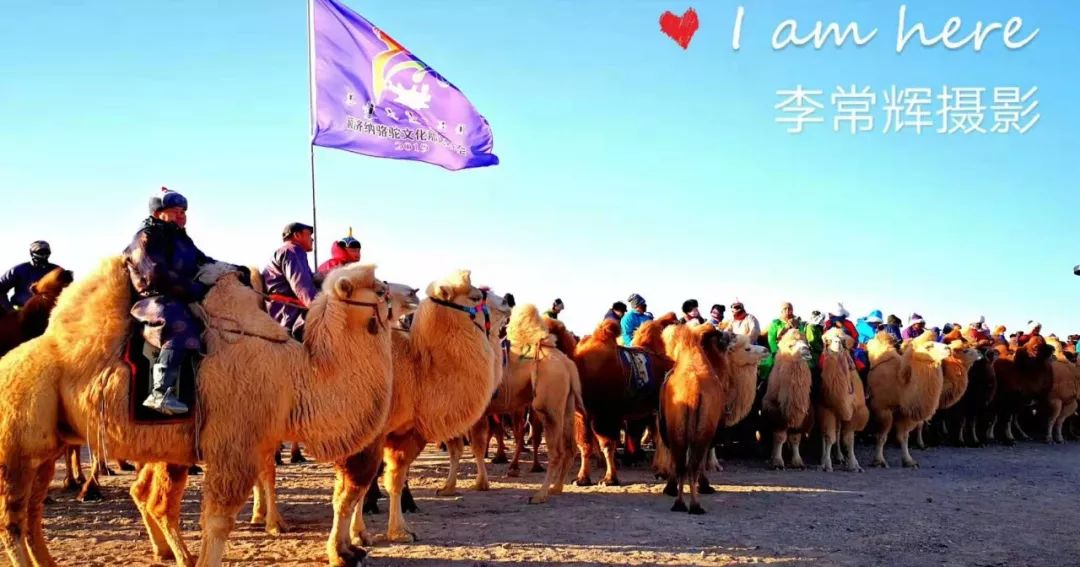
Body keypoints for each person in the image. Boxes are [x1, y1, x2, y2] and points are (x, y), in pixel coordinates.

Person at [124, 188, 216, 415]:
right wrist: (194, 288)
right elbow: (155, 274)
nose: (182, 215)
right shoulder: (146, 237)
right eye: (175, 211)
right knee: (179, 324)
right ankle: (160, 392)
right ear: (158, 213)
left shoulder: (182, 239)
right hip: (154, 299)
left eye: (184, 211)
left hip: (180, 295)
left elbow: (203, 261)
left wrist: (233, 271)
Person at [263, 222, 319, 340]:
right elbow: (303, 289)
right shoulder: (293, 251)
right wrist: (321, 308)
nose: (312, 239)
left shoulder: (287, 251)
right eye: (309, 235)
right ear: (297, 235)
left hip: (281, 311)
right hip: (290, 314)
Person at [0, 240, 61, 312]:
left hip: (50, 313)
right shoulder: (18, 270)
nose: (44, 255)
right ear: (32, 253)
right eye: (40, 252)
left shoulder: (57, 271)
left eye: (46, 252)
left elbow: (68, 291)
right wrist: (9, 309)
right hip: (21, 312)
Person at [761, 302, 804, 377]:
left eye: (790, 309)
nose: (787, 310)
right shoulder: (776, 323)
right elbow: (771, 339)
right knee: (769, 363)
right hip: (779, 350)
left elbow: (801, 336)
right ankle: (763, 383)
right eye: (785, 309)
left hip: (795, 350)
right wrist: (776, 351)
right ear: (781, 311)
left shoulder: (798, 323)